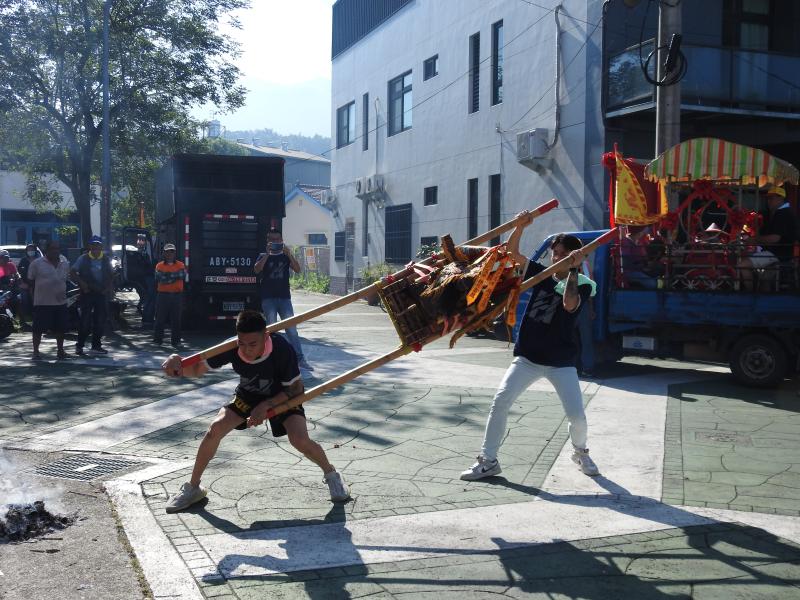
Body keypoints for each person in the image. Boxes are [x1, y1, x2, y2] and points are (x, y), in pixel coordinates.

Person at [161, 310, 349, 513]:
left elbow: (296, 389)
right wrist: (178, 366)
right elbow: (197, 370)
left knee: (299, 440)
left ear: (265, 336)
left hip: (282, 396)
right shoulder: (231, 346)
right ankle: (193, 488)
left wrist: (267, 405)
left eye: (253, 344)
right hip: (248, 395)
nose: (247, 350)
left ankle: (332, 475)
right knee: (214, 430)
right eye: (242, 343)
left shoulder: (281, 349)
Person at [461, 228, 600, 481]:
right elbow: (513, 253)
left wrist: (572, 270)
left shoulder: (583, 285)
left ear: (574, 258)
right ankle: (488, 461)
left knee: (576, 415)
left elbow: (569, 304)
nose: (556, 258)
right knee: (500, 401)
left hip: (560, 362)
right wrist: (523, 224)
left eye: (563, 255)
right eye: (555, 254)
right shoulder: (541, 274)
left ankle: (581, 452)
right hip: (527, 358)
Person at [254, 230, 313, 372]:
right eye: (272, 239)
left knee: (292, 330)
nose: (275, 242)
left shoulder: (285, 256)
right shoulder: (263, 256)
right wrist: (267, 254)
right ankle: (272, 360)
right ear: (268, 241)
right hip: (268, 298)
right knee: (272, 331)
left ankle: (300, 359)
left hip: (285, 298)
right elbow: (256, 270)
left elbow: (298, 269)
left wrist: (289, 253)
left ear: (281, 240)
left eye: (277, 239)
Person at [738, 186, 798, 290]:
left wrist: (754, 239)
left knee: (743, 264)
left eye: (772, 198)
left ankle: (750, 294)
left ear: (781, 198)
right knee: (764, 278)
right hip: (779, 253)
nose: (769, 201)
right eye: (768, 199)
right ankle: (759, 297)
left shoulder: (783, 214)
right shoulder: (781, 213)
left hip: (777, 253)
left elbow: (775, 239)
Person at [27, 240, 70, 360]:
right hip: (42, 302)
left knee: (61, 328)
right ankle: (35, 352)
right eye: (52, 249)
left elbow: (66, 279)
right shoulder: (36, 264)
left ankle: (60, 351)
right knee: (38, 329)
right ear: (47, 250)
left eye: (57, 249)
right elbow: (31, 282)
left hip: (60, 302)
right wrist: (33, 299)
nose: (55, 251)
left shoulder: (65, 263)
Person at [70, 235, 113, 355]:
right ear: (90, 246)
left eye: (98, 245)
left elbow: (111, 275)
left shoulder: (105, 259)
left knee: (100, 321)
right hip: (87, 293)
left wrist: (108, 289)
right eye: (93, 245)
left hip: (101, 294)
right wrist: (81, 283)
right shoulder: (83, 258)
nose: (95, 247)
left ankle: (96, 345)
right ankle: (79, 345)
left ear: (101, 246)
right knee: (85, 321)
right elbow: (72, 272)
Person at [153, 243, 185, 348]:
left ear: (174, 253)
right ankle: (157, 341)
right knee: (159, 319)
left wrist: (167, 276)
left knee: (176, 320)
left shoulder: (181, 265)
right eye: (167, 251)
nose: (169, 253)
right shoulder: (159, 265)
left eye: (171, 251)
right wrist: (173, 276)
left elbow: (181, 275)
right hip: (163, 296)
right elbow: (160, 279)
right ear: (164, 253)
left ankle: (176, 342)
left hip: (177, 296)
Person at [16, 243, 39, 326]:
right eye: (29, 250)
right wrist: (22, 283)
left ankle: (37, 321)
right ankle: (23, 322)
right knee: (24, 301)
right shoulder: (23, 260)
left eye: (32, 249)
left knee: (36, 303)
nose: (30, 251)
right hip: (25, 285)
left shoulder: (39, 260)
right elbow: (18, 273)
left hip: (37, 285)